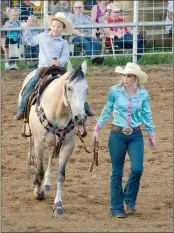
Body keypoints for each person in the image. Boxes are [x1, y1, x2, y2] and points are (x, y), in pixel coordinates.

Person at [93, 62, 156, 218]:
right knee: (117, 172)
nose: (125, 78)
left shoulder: (143, 94)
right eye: (124, 75)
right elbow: (107, 110)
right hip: (117, 135)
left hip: (135, 135)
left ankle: (129, 197)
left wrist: (151, 133)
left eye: (128, 76)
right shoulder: (114, 92)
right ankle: (116, 207)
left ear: (135, 78)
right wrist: (97, 129)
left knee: (137, 169)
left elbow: (146, 114)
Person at [13, 12, 95, 120]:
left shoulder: (63, 43)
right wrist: (26, 29)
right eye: (54, 26)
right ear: (51, 26)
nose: (56, 28)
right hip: (43, 68)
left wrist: (59, 61)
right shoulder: (42, 36)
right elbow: (30, 41)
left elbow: (66, 56)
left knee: (74, 84)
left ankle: (85, 106)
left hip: (58, 69)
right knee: (31, 84)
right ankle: (22, 109)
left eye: (59, 27)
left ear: (62, 29)